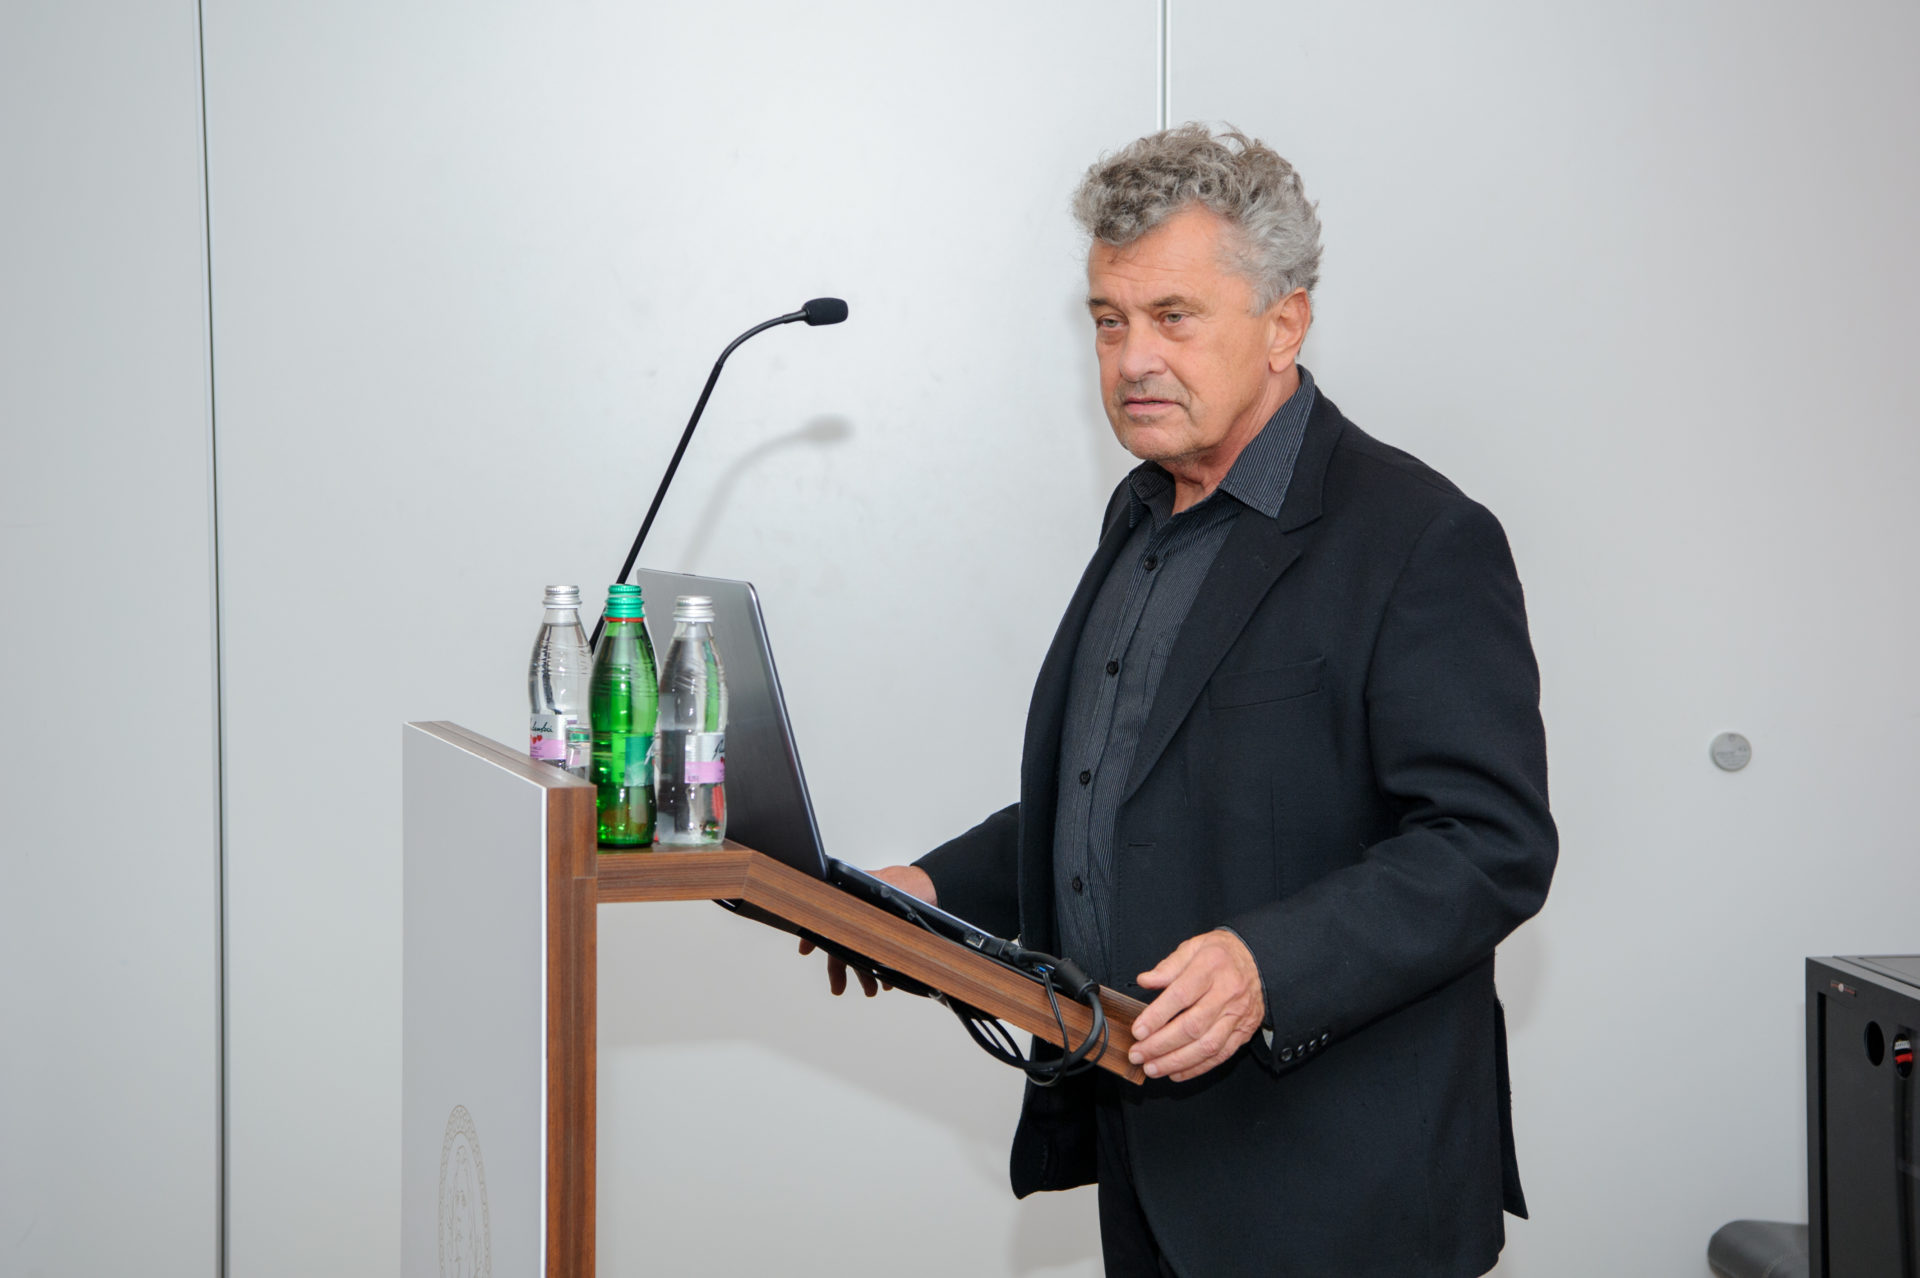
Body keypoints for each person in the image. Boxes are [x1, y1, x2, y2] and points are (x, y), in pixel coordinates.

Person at [809, 123, 1557, 1278]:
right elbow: (1112, 797)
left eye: (1173, 317)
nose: (1132, 360)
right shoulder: (1143, 513)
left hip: (1341, 1190)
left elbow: (1488, 844)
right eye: (1109, 321)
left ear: (1284, 325)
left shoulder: (1419, 537)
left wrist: (1269, 964)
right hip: (1153, 1156)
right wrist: (928, 891)